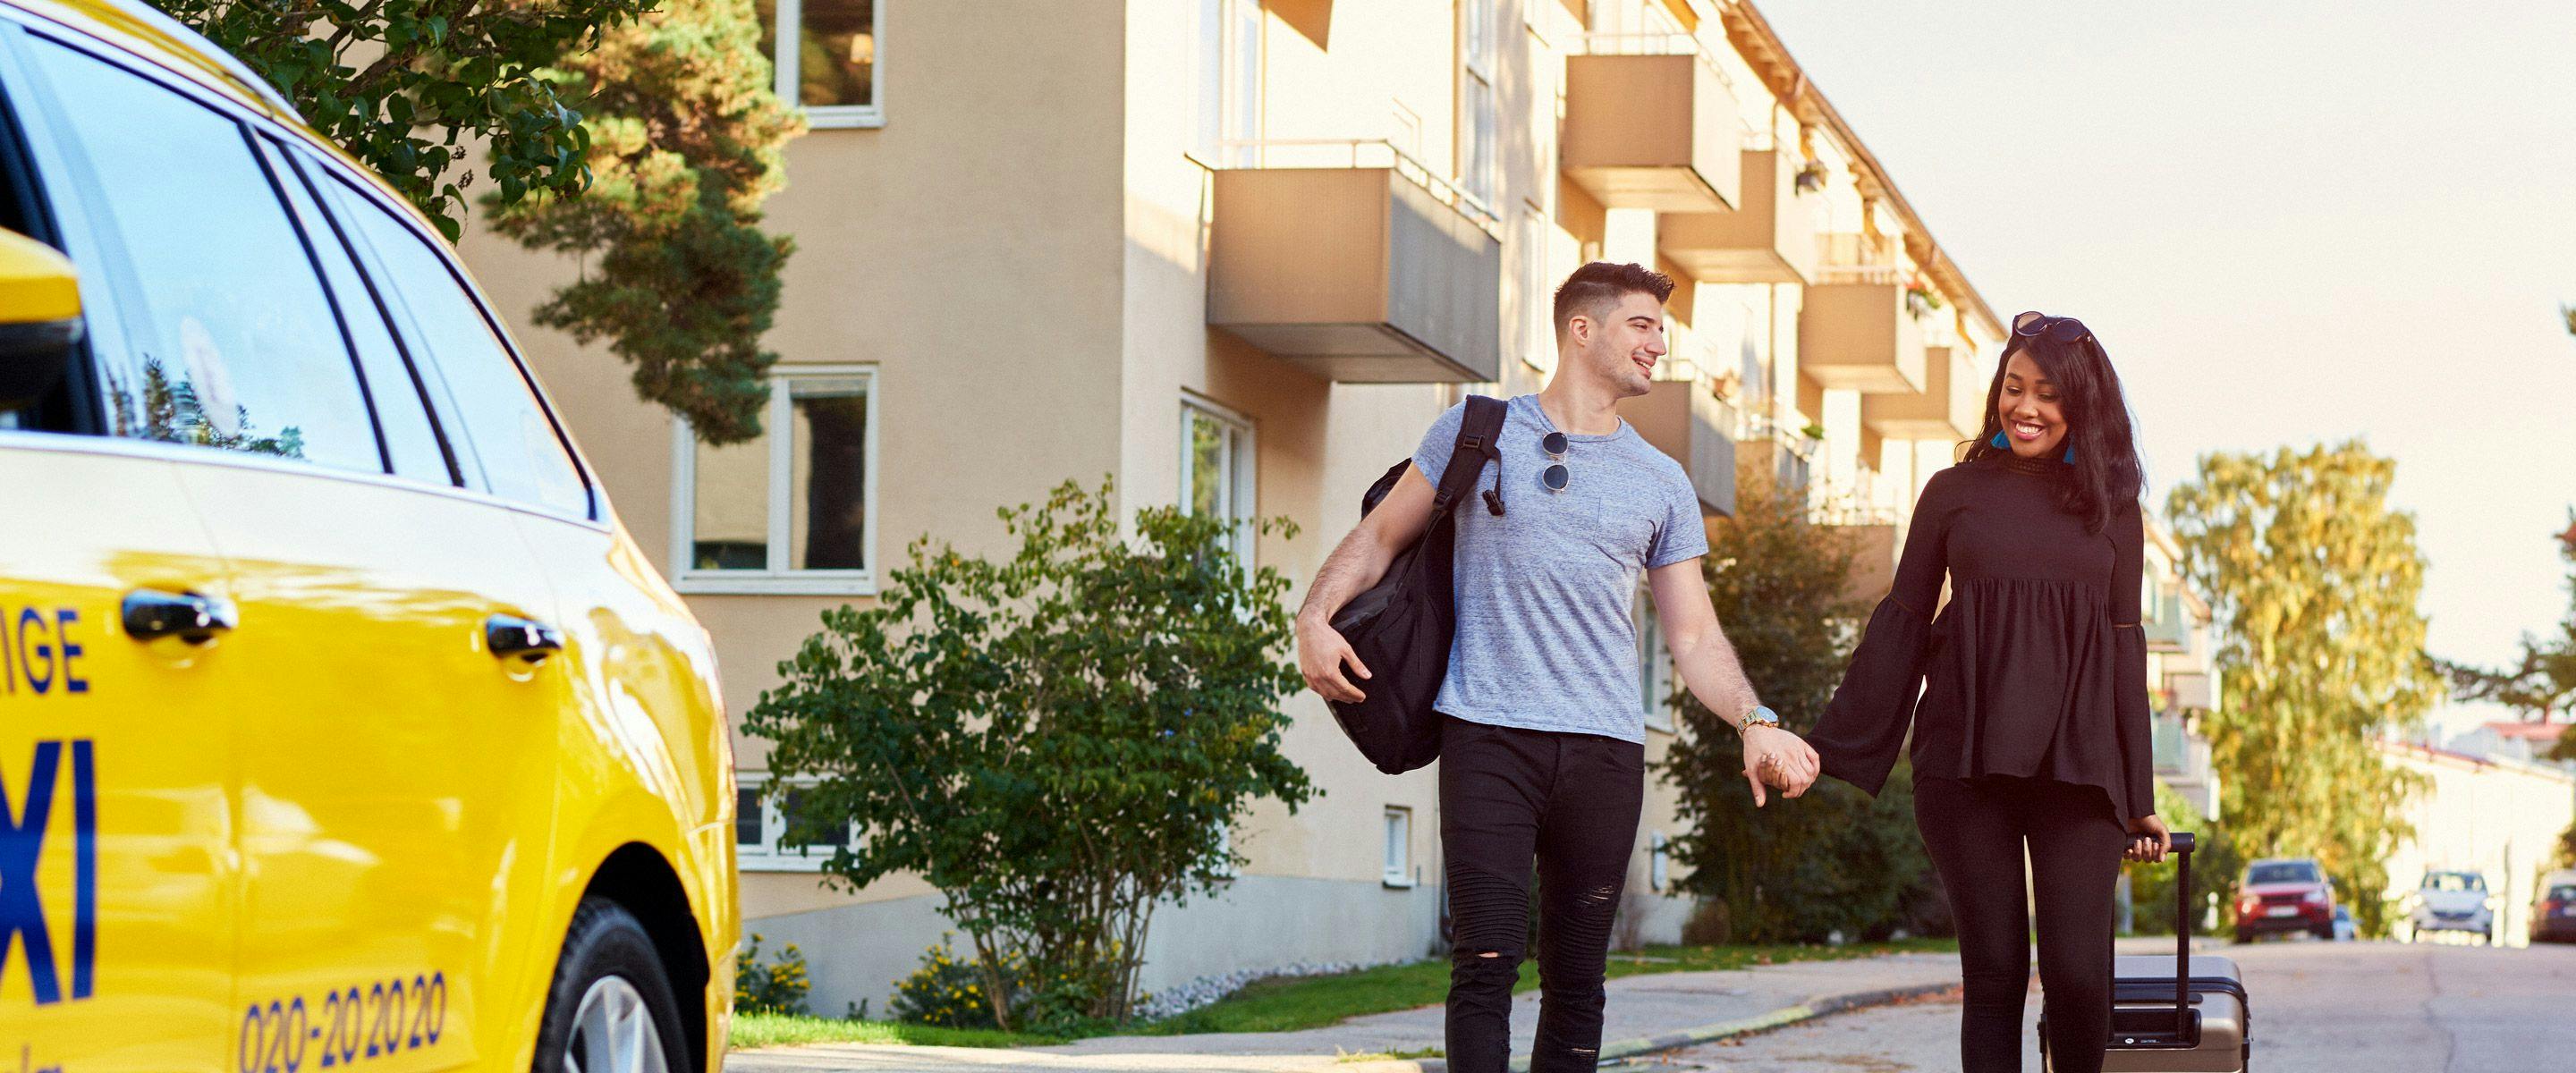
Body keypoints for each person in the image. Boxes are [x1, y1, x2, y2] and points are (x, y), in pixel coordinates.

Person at [1295, 262, 1819, 1073]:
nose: (1659, 341)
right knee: (1486, 965)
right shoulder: (1475, 432)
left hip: (1605, 752)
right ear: (1583, 329)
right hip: (1488, 735)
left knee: (1579, 981)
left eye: (1659, 328)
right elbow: (1379, 539)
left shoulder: (1662, 481)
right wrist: (1313, 618)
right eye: (1641, 324)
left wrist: (1754, 721)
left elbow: (1694, 636)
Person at [1808, 309, 2174, 1073]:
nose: (2027, 407)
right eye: (2014, 387)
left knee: (2079, 981)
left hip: (2081, 771)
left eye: (2048, 393)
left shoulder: (2113, 506)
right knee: (1996, 976)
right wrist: (1830, 746)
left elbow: (2122, 648)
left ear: (2081, 404)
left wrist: (2138, 791)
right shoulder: (1953, 493)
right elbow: (1904, 620)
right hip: (1965, 762)